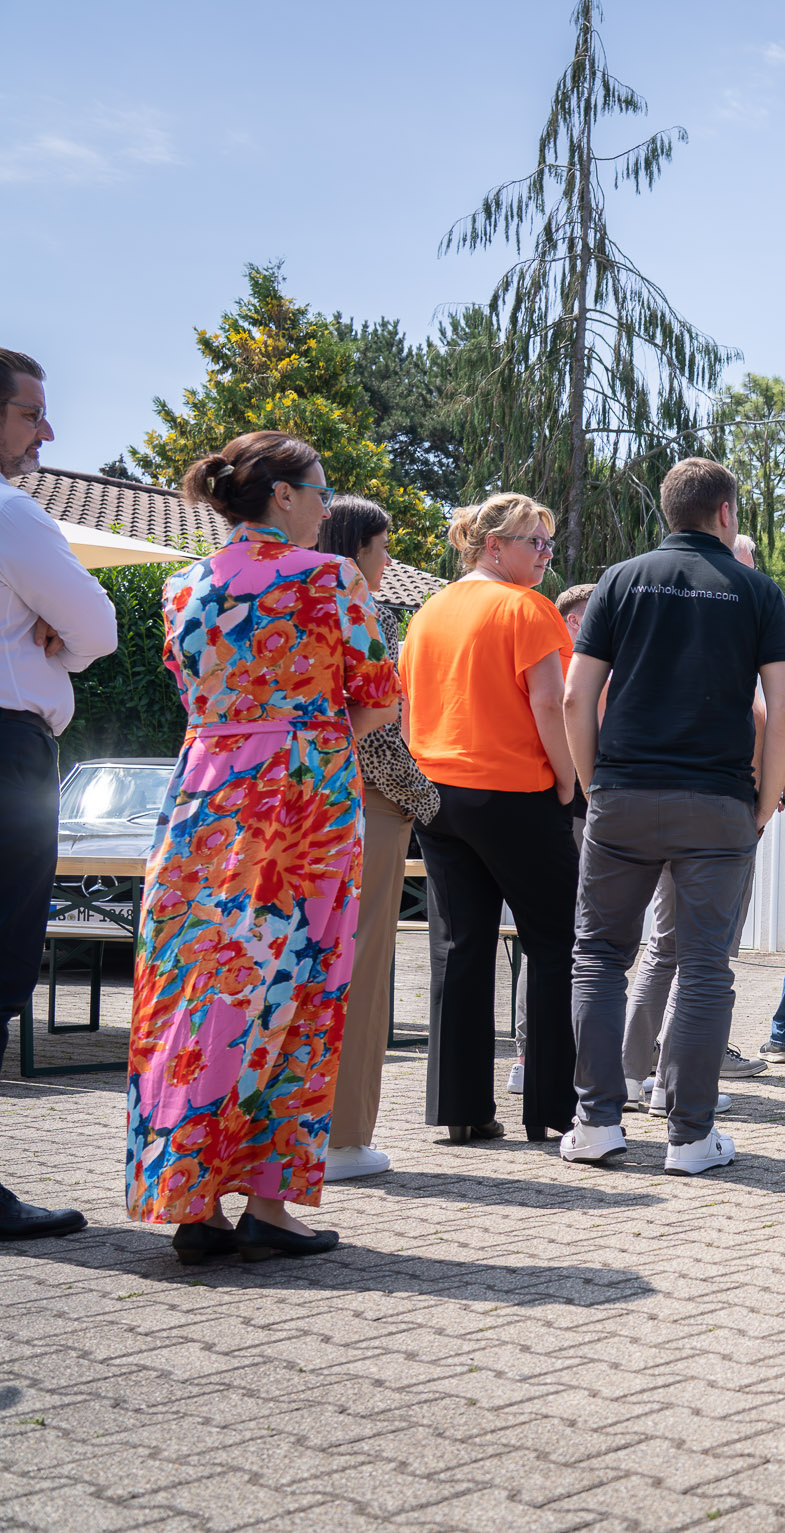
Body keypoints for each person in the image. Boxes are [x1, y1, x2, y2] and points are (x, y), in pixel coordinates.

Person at [126, 431, 400, 1262]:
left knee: (194, 980)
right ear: (282, 494)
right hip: (301, 805)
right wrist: (314, 744)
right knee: (299, 982)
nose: (325, 503)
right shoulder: (327, 578)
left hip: (203, 793)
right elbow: (379, 697)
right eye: (319, 488)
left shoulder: (183, 587)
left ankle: (192, 1198)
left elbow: (194, 690)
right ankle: (271, 1203)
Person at [558, 459, 785, 1175]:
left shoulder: (620, 581)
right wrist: (767, 798)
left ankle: (597, 1123)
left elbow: (577, 696)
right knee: (702, 964)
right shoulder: (757, 590)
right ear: (725, 513)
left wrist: (594, 781)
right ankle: (691, 1138)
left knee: (599, 955)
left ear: (669, 513)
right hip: (719, 799)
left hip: (624, 795)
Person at [399, 493, 580, 1145]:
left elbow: (410, 701)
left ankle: (462, 1108)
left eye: (548, 544)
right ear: (494, 546)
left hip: (439, 795)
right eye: (536, 541)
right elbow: (549, 704)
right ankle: (553, 1108)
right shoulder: (525, 608)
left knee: (460, 947)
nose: (545, 556)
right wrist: (568, 781)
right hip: (512, 791)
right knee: (556, 942)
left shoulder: (428, 612)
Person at [0, 346, 115, 1242]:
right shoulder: (10, 514)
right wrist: (53, 642)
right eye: (32, 412)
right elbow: (99, 626)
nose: (49, 430)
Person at [316, 497, 438, 1182]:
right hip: (366, 803)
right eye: (383, 545)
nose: (390, 560)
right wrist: (425, 798)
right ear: (357, 545)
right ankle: (343, 1135)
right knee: (360, 971)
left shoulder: (271, 596)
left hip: (286, 800)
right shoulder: (363, 612)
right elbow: (382, 728)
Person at [506, 581, 598, 1099]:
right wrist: (571, 788)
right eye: (587, 616)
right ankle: (529, 1054)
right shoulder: (555, 659)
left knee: (570, 938)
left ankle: (555, 1053)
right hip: (567, 809)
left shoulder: (586, 663)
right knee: (555, 938)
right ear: (570, 619)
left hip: (582, 809)